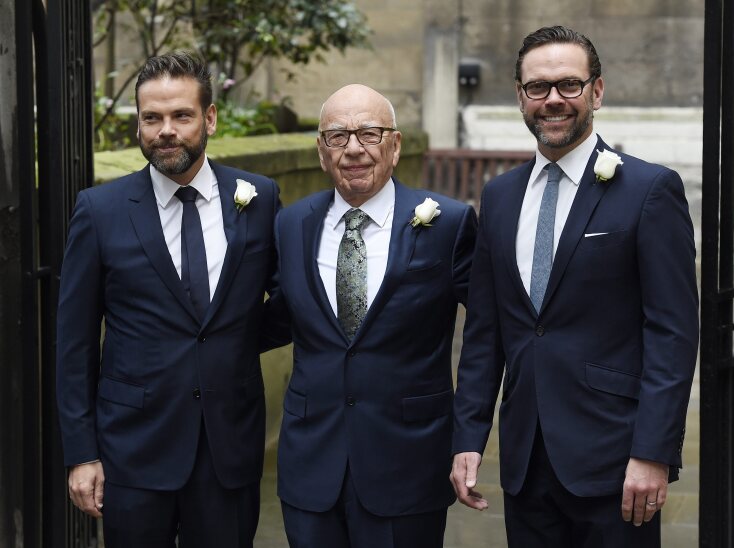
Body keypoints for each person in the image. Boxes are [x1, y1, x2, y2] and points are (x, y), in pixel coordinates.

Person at [450, 25, 699, 547]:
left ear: (596, 91)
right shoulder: (499, 197)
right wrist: (469, 436)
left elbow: (672, 334)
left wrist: (653, 452)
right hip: (525, 461)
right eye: (538, 87)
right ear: (521, 97)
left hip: (617, 462)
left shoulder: (649, 190)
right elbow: (485, 332)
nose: (553, 100)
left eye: (569, 84)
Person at [56, 51, 280, 547]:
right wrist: (82, 453)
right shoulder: (99, 210)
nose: (166, 131)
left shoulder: (259, 198)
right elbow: (74, 344)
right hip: (132, 449)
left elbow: (290, 301)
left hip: (229, 446)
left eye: (181, 115)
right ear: (138, 123)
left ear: (210, 118)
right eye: (152, 118)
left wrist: (234, 342)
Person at [266, 84, 477, 547]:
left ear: (395, 145)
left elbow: (485, 335)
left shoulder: (448, 224)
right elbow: (280, 317)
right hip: (310, 465)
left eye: (369, 133)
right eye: (337, 136)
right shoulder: (290, 225)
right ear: (321, 152)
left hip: (409, 463)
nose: (354, 149)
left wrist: (470, 437)